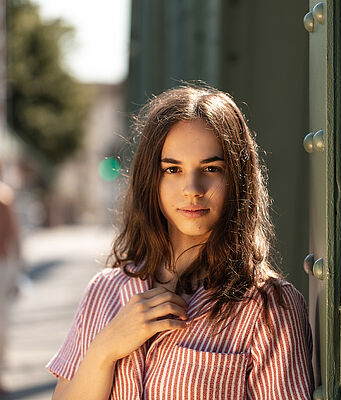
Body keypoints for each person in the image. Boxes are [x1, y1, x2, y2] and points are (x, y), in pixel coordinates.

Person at [46, 85, 314, 399]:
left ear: (238, 179)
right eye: (173, 169)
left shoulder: (268, 309)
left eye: (211, 169)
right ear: (152, 179)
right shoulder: (104, 291)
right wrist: (106, 349)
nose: (192, 188)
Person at [0, 163, 22, 395]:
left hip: (2, 265)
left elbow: (14, 237)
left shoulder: (4, 197)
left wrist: (16, 271)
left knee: (1, 321)